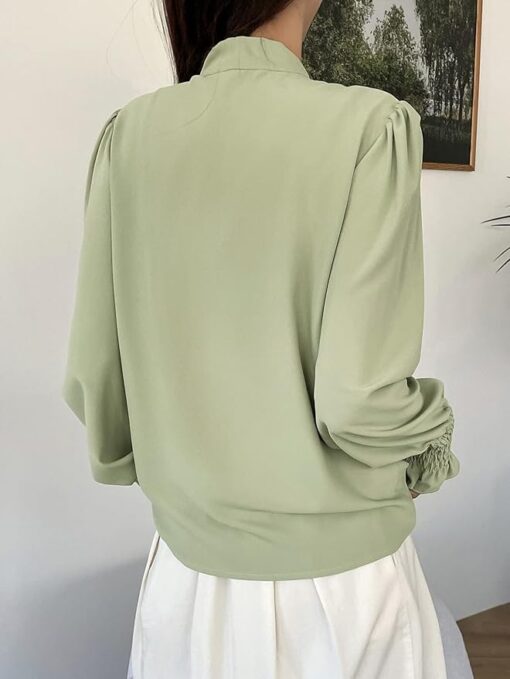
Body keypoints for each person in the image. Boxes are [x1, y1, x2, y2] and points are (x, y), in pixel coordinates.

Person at [61, 0, 461, 676]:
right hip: (339, 591)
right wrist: (431, 441)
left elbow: (97, 383)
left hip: (185, 584)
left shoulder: (127, 137)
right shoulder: (371, 128)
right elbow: (358, 402)